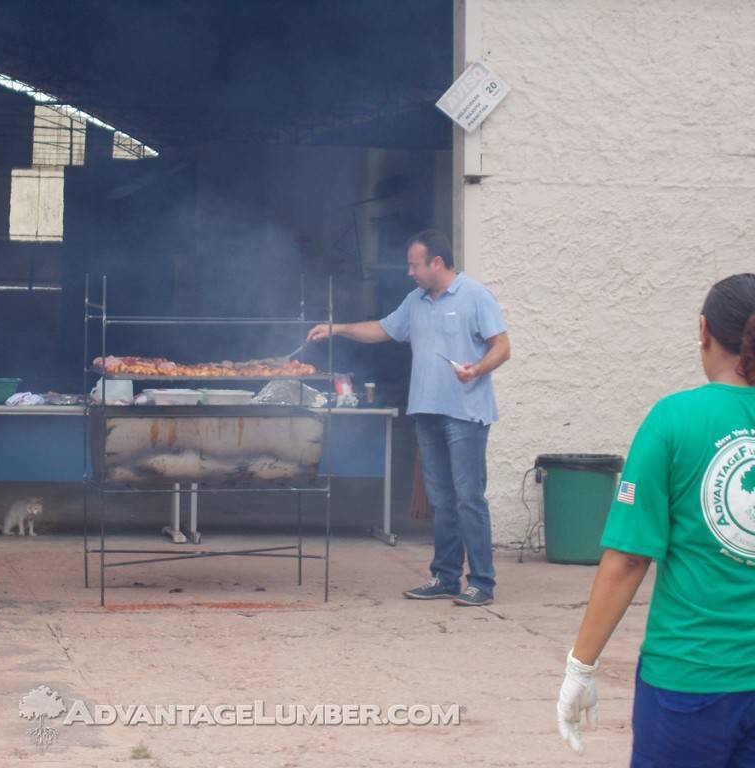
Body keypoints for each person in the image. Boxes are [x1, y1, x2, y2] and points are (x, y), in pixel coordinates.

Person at [557, 273, 755, 766]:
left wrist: (580, 667)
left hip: (690, 679)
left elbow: (627, 561)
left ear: (703, 330)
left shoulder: (672, 420)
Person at [307, 229, 510, 606]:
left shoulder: (475, 296)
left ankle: (482, 582)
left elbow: (503, 346)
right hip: (427, 412)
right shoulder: (415, 301)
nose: (409, 272)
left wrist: (478, 369)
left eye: (415, 265)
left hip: (465, 414)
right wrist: (339, 329)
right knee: (442, 500)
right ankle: (445, 577)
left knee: (468, 498)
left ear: (436, 262)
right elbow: (382, 329)